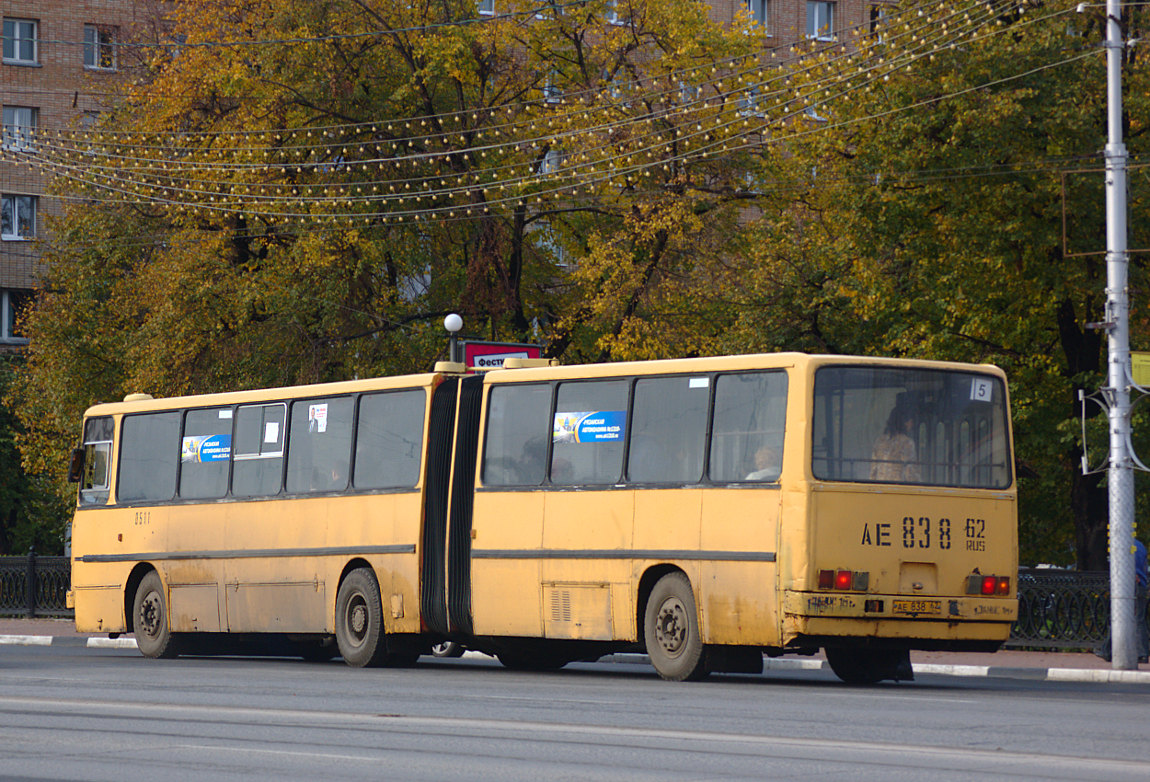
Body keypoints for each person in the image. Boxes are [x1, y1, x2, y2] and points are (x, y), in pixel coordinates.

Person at [1094, 539, 1150, 663]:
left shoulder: (1124, 544)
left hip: (1129, 585)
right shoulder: (1140, 545)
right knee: (1136, 619)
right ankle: (1108, 650)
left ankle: (1140, 653)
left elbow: (1128, 563)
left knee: (1120, 617)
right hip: (1140, 584)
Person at [869, 399, 920, 482]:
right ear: (905, 422)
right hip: (899, 490)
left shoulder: (879, 441)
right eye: (911, 421)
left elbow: (873, 471)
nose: (912, 424)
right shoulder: (907, 443)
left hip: (880, 488)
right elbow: (910, 473)